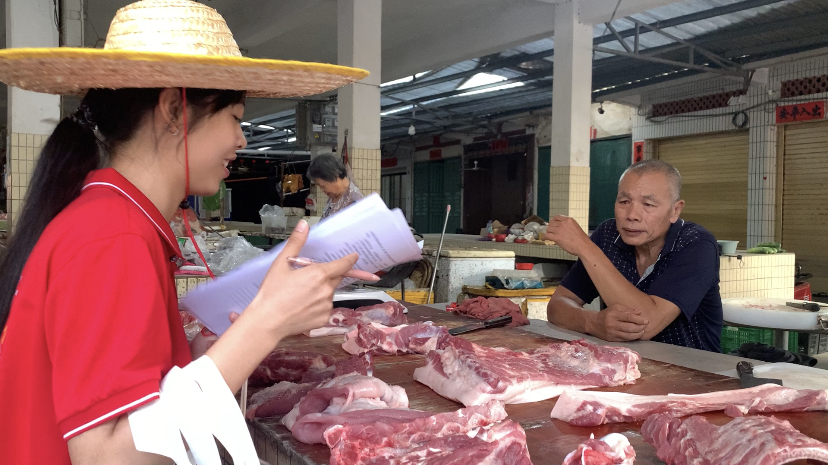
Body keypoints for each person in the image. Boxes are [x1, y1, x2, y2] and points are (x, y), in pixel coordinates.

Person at [0, 1, 371, 463]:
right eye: (235, 118)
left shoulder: (115, 220)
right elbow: (108, 457)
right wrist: (266, 321)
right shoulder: (112, 237)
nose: (242, 140)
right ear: (175, 109)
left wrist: (200, 356)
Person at [544, 159, 723, 352]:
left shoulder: (696, 244)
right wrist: (592, 322)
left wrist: (586, 248)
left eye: (648, 204)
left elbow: (646, 324)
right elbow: (557, 306)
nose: (632, 215)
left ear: (675, 210)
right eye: (624, 202)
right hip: (623, 363)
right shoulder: (608, 235)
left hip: (692, 367)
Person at [307, 153, 364, 218]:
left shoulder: (354, 201)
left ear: (334, 175)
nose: (322, 190)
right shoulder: (333, 197)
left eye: (323, 186)